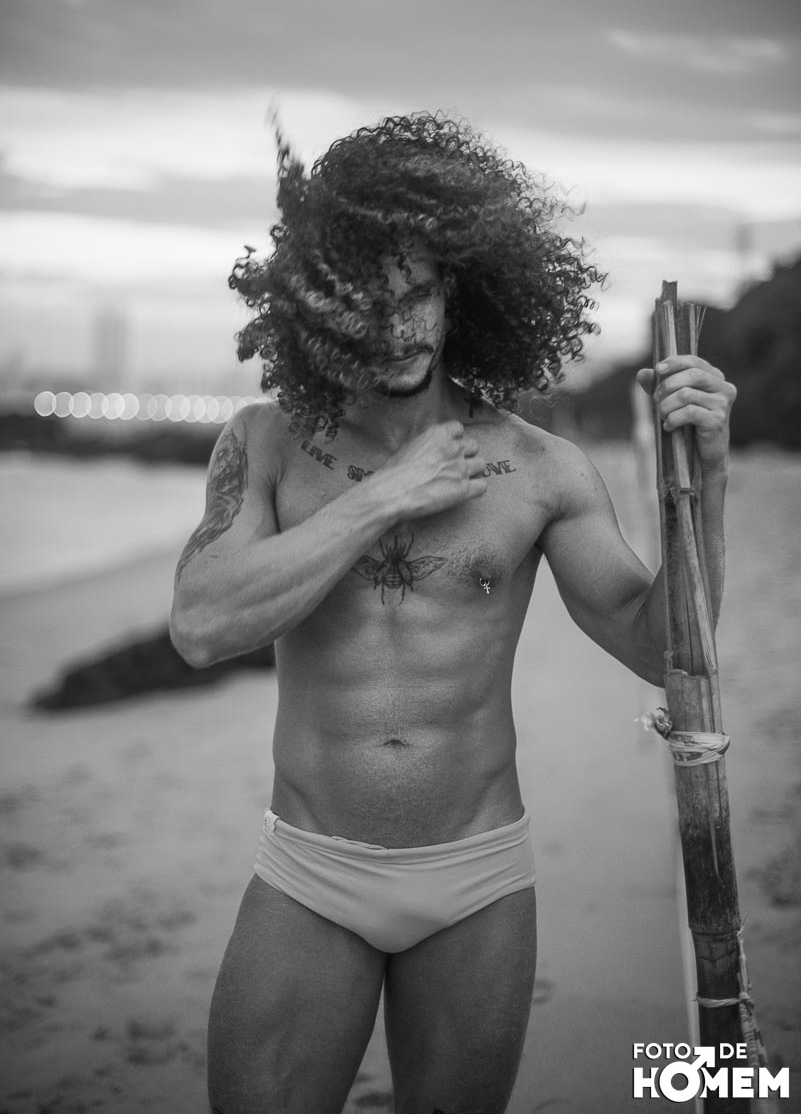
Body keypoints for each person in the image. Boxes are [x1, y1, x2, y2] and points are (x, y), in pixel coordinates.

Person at [169, 112, 736, 1114]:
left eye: (417, 293)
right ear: (318, 306)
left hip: (477, 878)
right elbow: (202, 626)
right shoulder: (265, 442)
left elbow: (666, 653)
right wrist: (387, 495)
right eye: (364, 300)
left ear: (458, 292)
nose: (395, 327)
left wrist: (712, 479)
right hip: (310, 870)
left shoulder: (539, 468)